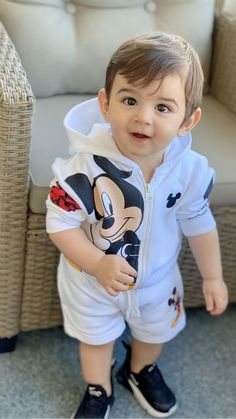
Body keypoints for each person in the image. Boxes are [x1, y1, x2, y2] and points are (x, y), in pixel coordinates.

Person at [46, 32, 228, 418]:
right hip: (91, 281)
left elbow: (199, 220)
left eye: (163, 107)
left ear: (187, 120)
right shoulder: (80, 169)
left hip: (157, 278)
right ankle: (99, 388)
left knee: (154, 333)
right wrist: (97, 262)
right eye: (130, 100)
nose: (143, 117)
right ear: (106, 103)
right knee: (95, 341)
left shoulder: (189, 171)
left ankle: (138, 369)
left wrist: (213, 277)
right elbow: (60, 224)